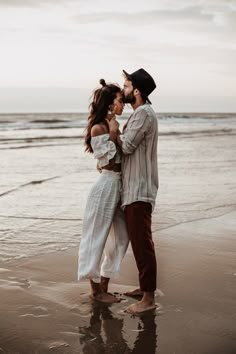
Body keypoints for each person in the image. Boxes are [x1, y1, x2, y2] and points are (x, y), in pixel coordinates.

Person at [109, 68, 158, 313]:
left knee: (142, 242)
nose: (123, 89)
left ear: (137, 91)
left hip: (139, 188)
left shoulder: (144, 113)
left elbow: (127, 146)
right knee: (139, 242)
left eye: (127, 86)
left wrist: (114, 130)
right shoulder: (139, 114)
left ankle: (148, 298)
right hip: (133, 188)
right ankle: (144, 287)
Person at [78, 79, 129, 303]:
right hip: (105, 187)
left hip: (118, 186)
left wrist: (116, 131)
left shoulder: (114, 124)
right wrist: (113, 133)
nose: (124, 103)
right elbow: (106, 160)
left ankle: (105, 285)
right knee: (96, 237)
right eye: (120, 100)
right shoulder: (100, 127)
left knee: (121, 237)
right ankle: (95, 292)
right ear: (110, 103)